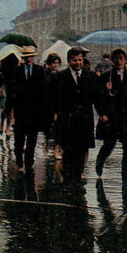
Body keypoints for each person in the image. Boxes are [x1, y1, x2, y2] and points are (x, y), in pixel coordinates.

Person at [54, 47, 99, 193]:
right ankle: (68, 181)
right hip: (68, 120)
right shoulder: (61, 77)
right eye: (74, 60)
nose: (77, 63)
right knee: (69, 151)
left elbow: (96, 97)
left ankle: (77, 180)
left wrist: (103, 113)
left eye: (79, 60)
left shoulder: (90, 76)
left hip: (85, 121)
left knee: (81, 151)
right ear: (69, 61)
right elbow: (56, 98)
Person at [95, 48, 127, 185]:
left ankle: (126, 176)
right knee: (109, 144)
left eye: (121, 58)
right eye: (116, 58)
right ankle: (100, 161)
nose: (118, 61)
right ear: (112, 61)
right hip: (112, 117)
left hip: (126, 117)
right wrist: (103, 113)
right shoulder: (106, 77)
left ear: (126, 60)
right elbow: (99, 99)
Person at [11, 45, 45, 172]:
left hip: (35, 110)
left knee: (32, 138)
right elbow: (12, 90)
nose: (29, 59)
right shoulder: (17, 71)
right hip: (21, 110)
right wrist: (11, 110)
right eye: (27, 57)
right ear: (23, 58)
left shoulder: (39, 70)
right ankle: (19, 161)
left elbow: (43, 90)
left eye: (31, 57)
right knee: (19, 138)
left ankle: (29, 161)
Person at [42, 53, 62, 158]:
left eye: (57, 63)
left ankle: (56, 150)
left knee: (58, 128)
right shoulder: (44, 74)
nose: (55, 65)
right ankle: (46, 142)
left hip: (57, 104)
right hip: (46, 104)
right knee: (48, 127)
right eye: (53, 63)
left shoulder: (60, 75)